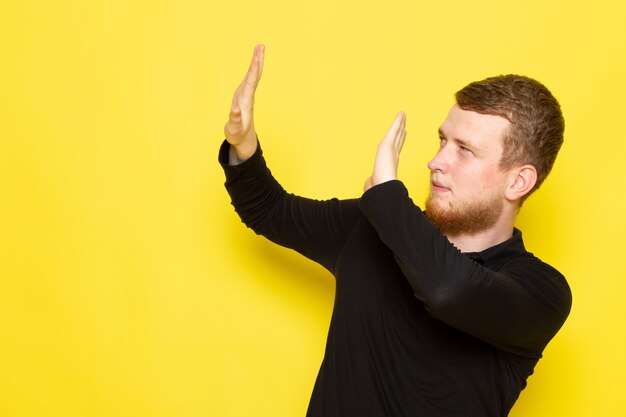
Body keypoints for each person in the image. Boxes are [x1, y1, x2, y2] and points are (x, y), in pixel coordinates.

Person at [219, 44, 572, 417]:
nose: (436, 162)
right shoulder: (372, 227)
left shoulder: (540, 291)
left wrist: (388, 197)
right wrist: (243, 144)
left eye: (464, 150)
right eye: (442, 140)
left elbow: (449, 290)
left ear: (519, 182)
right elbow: (269, 210)